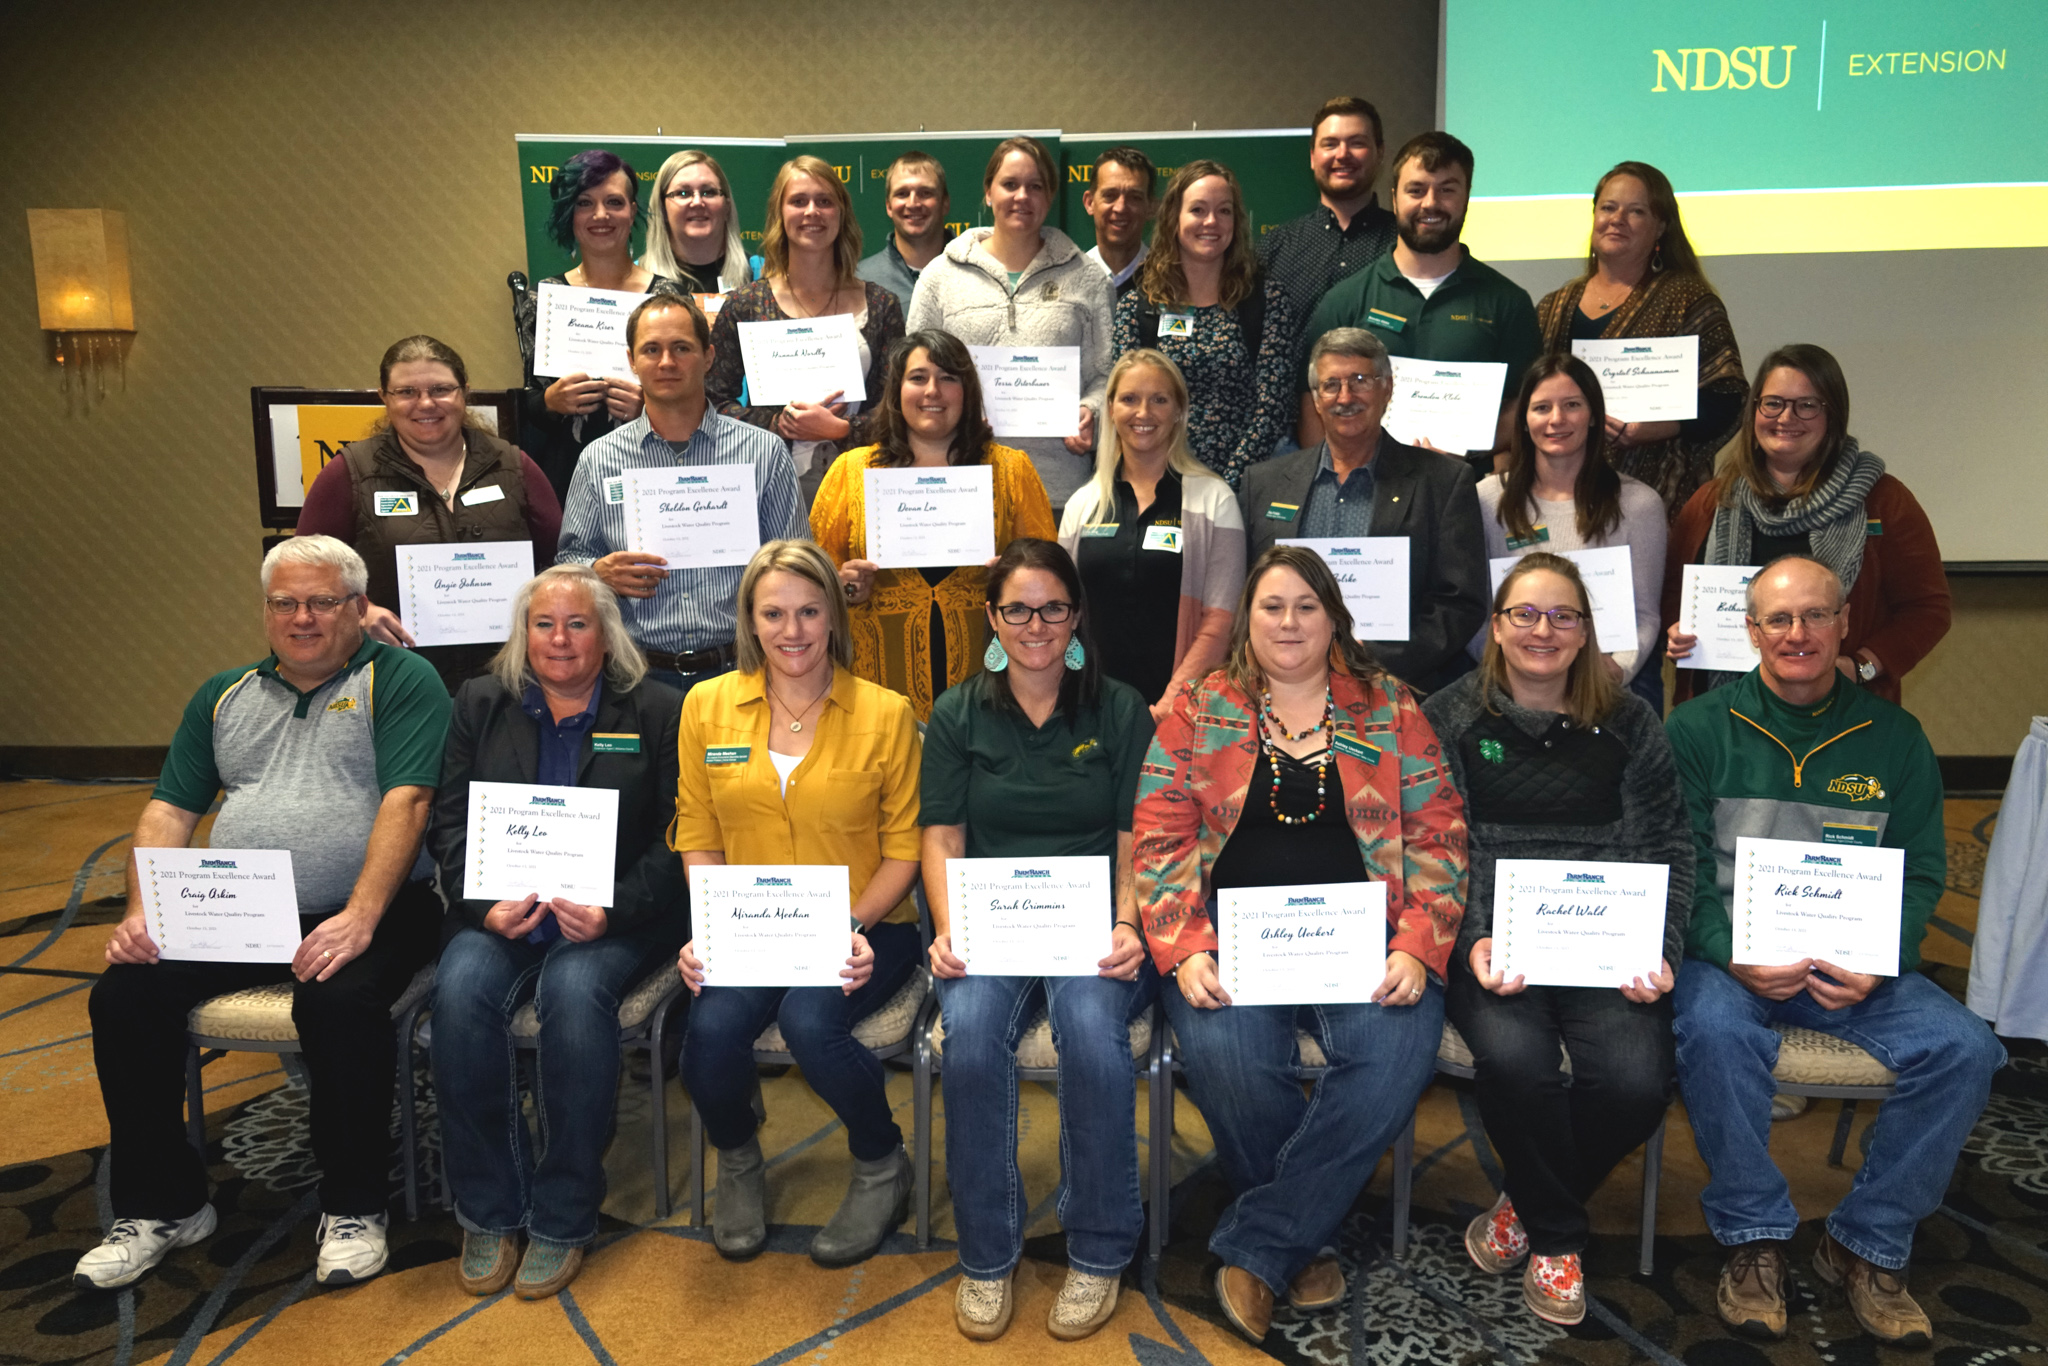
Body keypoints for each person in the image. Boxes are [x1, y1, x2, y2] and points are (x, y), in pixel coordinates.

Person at [75, 536, 450, 1292]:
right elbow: (168, 812)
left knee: (340, 1001)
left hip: (375, 907)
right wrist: (145, 911)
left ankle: (353, 1205)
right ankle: (163, 1204)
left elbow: (407, 802)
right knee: (124, 995)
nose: (302, 618)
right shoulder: (224, 693)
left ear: (358, 607)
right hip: (239, 908)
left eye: (321, 602)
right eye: (285, 603)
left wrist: (359, 917)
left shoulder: (402, 679)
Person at [1665, 554, 2003, 1348]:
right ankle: (1753, 1238)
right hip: (1731, 962)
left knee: (1968, 1049)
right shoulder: (1695, 730)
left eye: (1816, 615)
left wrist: (1879, 959)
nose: (1798, 633)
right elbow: (1677, 868)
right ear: (1750, 631)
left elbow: (1923, 872)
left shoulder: (1895, 738)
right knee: (1712, 1033)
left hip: (1857, 961)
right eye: (1778, 619)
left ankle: (1866, 1243)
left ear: (1846, 622)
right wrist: (1724, 950)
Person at [1134, 544, 1467, 1345]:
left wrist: (1419, 944)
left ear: (1333, 618)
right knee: (1230, 1060)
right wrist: (1186, 947)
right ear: (1247, 619)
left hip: (1369, 939)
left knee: (1396, 1057)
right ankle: (1299, 1237)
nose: (1289, 622)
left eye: (1306, 607)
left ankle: (1261, 1246)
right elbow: (1159, 833)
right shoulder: (1200, 707)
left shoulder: (1390, 706)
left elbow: (1440, 832)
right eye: (1272, 606)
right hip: (1236, 939)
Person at [1422, 553, 1693, 1327]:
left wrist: (1661, 948)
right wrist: (1470, 936)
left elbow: (1670, 843)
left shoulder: (1632, 721)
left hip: (1611, 945)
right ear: (1497, 629)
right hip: (1496, 942)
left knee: (1638, 1082)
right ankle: (1559, 1241)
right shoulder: (1451, 715)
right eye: (1525, 615)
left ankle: (1526, 1204)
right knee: (1516, 1062)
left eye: (1563, 616)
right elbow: (1441, 844)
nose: (1543, 630)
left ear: (1584, 632)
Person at [425, 565, 685, 1300]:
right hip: (504, 910)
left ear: (607, 636)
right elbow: (450, 818)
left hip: (611, 918)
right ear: (523, 635)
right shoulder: (480, 702)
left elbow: (680, 833)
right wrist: (483, 905)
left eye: (578, 624)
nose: (561, 639)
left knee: (574, 995)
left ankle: (566, 1210)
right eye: (545, 624)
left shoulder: (660, 708)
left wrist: (614, 908)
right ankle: (488, 1207)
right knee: (461, 987)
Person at [921, 539, 1157, 1342]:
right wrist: (949, 929)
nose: (1035, 624)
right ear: (991, 618)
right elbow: (943, 838)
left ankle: (1098, 1250)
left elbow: (1137, 838)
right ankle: (986, 1256)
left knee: (1093, 1035)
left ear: (1076, 614)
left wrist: (1129, 922)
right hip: (991, 924)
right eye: (1017, 608)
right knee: (973, 1038)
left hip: (1093, 923)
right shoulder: (957, 712)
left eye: (1053, 607)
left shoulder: (1121, 709)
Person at [673, 540, 925, 1268]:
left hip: (867, 925)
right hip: (749, 928)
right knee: (710, 1037)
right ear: (749, 621)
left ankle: (882, 1162)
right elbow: (697, 832)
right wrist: (711, 930)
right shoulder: (706, 707)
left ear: (834, 618)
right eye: (774, 613)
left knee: (811, 1022)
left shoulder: (886, 713)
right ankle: (740, 1159)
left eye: (810, 611)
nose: (794, 630)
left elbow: (905, 851)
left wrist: (848, 928)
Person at [1662, 344, 1950, 707]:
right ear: (1754, 411)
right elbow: (1674, 595)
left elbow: (1927, 610)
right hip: (1722, 714)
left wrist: (1861, 668)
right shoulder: (1710, 501)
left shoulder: (1883, 501)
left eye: (1807, 405)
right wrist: (1675, 632)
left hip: (1844, 711)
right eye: (1773, 403)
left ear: (1833, 414)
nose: (1786, 417)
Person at [556, 292, 807, 695]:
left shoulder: (764, 452)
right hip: (637, 678)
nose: (667, 362)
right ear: (631, 360)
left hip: (743, 671)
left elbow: (797, 564)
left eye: (681, 348)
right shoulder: (598, 459)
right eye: (651, 349)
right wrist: (596, 573)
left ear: (708, 357)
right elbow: (569, 562)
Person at [810, 330, 1055, 721]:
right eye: (918, 377)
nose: (933, 391)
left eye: (948, 378)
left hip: (991, 682)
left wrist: (1013, 578)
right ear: (897, 389)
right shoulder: (851, 471)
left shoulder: (1012, 470)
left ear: (967, 390)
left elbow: (1052, 580)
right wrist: (845, 586)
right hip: (877, 681)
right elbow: (813, 586)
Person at [297, 335, 562, 694]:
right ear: (384, 398)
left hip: (509, 681)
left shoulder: (513, 465)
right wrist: (362, 612)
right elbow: (304, 574)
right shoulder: (350, 474)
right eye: (406, 392)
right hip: (395, 682)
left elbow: (560, 562)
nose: (425, 403)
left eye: (440, 389)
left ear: (464, 392)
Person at [1243, 328, 1487, 693]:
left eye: (1360, 380)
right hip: (1282, 690)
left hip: (1398, 693)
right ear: (1315, 397)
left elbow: (1459, 603)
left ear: (1387, 389)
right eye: (1331, 385)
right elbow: (1246, 594)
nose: (1346, 397)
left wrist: (1371, 663)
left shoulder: (1444, 481)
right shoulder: (1263, 483)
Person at [1300, 132, 1541, 474]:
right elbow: (1313, 406)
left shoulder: (1508, 302)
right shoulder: (1345, 300)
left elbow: (1527, 404)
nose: (1430, 203)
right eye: (1416, 190)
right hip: (1365, 490)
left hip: (1467, 490)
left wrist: (1466, 447)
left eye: (1447, 189)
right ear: (1394, 199)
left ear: (1466, 198)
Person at [906, 135, 1114, 513]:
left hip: (1058, 489)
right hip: (962, 485)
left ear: (1050, 197)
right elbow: (913, 377)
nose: (1022, 196)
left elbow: (1106, 374)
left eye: (1036, 186)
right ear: (988, 193)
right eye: (1010, 184)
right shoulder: (939, 276)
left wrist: (1091, 412)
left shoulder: (1089, 278)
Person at [1535, 161, 1746, 515]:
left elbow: (1727, 399)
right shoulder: (1553, 307)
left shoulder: (1688, 301)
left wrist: (1662, 427)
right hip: (1557, 494)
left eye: (1636, 211)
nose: (1617, 219)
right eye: (1608, 207)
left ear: (1660, 227)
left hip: (1658, 495)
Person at [705, 156, 907, 506]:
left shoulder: (882, 305)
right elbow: (710, 402)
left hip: (864, 488)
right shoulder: (745, 305)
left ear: (841, 214)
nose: (812, 211)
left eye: (825, 201)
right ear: (779, 214)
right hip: (770, 486)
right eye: (798, 201)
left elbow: (900, 408)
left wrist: (844, 429)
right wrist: (777, 423)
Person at [1059, 350, 1245, 721]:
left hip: (1181, 713)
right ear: (1110, 409)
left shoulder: (1214, 500)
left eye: (1159, 400)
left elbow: (1222, 620)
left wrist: (1167, 707)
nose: (1143, 413)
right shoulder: (1082, 505)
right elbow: (1063, 613)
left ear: (1179, 410)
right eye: (1129, 399)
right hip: (1090, 708)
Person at [1474, 355, 1666, 707]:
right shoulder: (1486, 500)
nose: (1557, 419)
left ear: (1594, 415)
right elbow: (1477, 608)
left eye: (1572, 405)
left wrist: (1617, 670)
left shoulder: (1640, 504)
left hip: (1606, 688)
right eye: (1542, 407)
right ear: (1524, 419)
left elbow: (1645, 615)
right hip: (1509, 687)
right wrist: (1509, 675)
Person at [1112, 160, 1298, 487]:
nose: (1211, 221)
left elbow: (1272, 412)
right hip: (1157, 488)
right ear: (1174, 218)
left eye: (1224, 211)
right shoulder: (1137, 309)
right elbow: (1124, 407)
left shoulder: (1267, 303)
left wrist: (1222, 488)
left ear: (1236, 222)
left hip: (1245, 488)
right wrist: (1168, 484)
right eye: (1198, 209)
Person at [512, 149, 658, 502]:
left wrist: (650, 409)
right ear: (570, 214)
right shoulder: (544, 299)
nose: (600, 215)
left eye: (614, 202)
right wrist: (550, 400)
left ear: (633, 210)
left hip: (652, 468)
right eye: (584, 203)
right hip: (568, 474)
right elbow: (530, 400)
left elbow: (692, 396)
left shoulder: (667, 298)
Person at [1257, 96, 1397, 332]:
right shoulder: (1273, 249)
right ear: (1312, 157)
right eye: (1330, 144)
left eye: (1357, 143)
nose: (1342, 154)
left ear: (1380, 153)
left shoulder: (1405, 244)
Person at [642, 148, 755, 298]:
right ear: (662, 209)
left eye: (708, 192)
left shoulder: (761, 273)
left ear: (727, 206)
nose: (697, 202)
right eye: (683, 193)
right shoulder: (637, 278)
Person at [858, 150, 954, 313]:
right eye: (902, 194)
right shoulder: (860, 280)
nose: (913, 203)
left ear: (945, 203)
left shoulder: (975, 272)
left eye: (925, 193)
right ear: (889, 206)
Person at [1082, 146, 1155, 298]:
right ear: (1090, 203)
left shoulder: (1171, 282)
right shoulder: (1064, 282)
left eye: (1134, 197)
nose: (1120, 208)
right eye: (1110, 195)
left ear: (1150, 207)